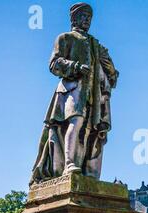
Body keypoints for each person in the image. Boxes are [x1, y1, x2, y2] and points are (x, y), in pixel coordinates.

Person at [30, 3, 119, 184]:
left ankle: (87, 170)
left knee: (90, 130)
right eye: (83, 16)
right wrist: (76, 67)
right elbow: (54, 64)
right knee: (75, 121)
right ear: (74, 18)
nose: (86, 20)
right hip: (71, 89)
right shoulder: (65, 38)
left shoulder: (95, 44)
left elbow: (110, 69)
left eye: (89, 17)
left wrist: (109, 67)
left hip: (92, 93)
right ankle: (70, 165)